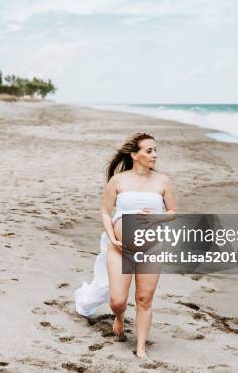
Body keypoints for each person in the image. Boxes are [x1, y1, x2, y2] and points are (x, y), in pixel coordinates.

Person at [75, 132, 177, 358]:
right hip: (120, 247)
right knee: (118, 301)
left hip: (152, 248)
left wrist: (155, 218)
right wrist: (112, 237)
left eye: (155, 150)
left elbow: (172, 212)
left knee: (144, 299)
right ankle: (119, 317)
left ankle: (141, 347)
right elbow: (104, 211)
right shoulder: (118, 180)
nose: (155, 155)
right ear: (135, 155)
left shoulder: (163, 181)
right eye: (149, 151)